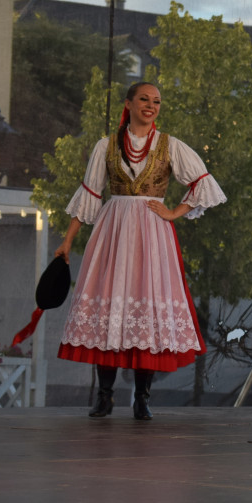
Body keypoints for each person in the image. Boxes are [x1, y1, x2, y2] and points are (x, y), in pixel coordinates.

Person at [56, 82, 226, 420]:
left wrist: (174, 212)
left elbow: (204, 183)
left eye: (157, 101)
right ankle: (104, 397)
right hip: (113, 230)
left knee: (146, 310)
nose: (151, 106)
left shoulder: (170, 145)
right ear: (129, 103)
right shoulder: (106, 146)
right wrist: (67, 240)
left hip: (151, 232)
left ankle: (142, 398)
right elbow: (90, 194)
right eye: (144, 100)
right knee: (109, 308)